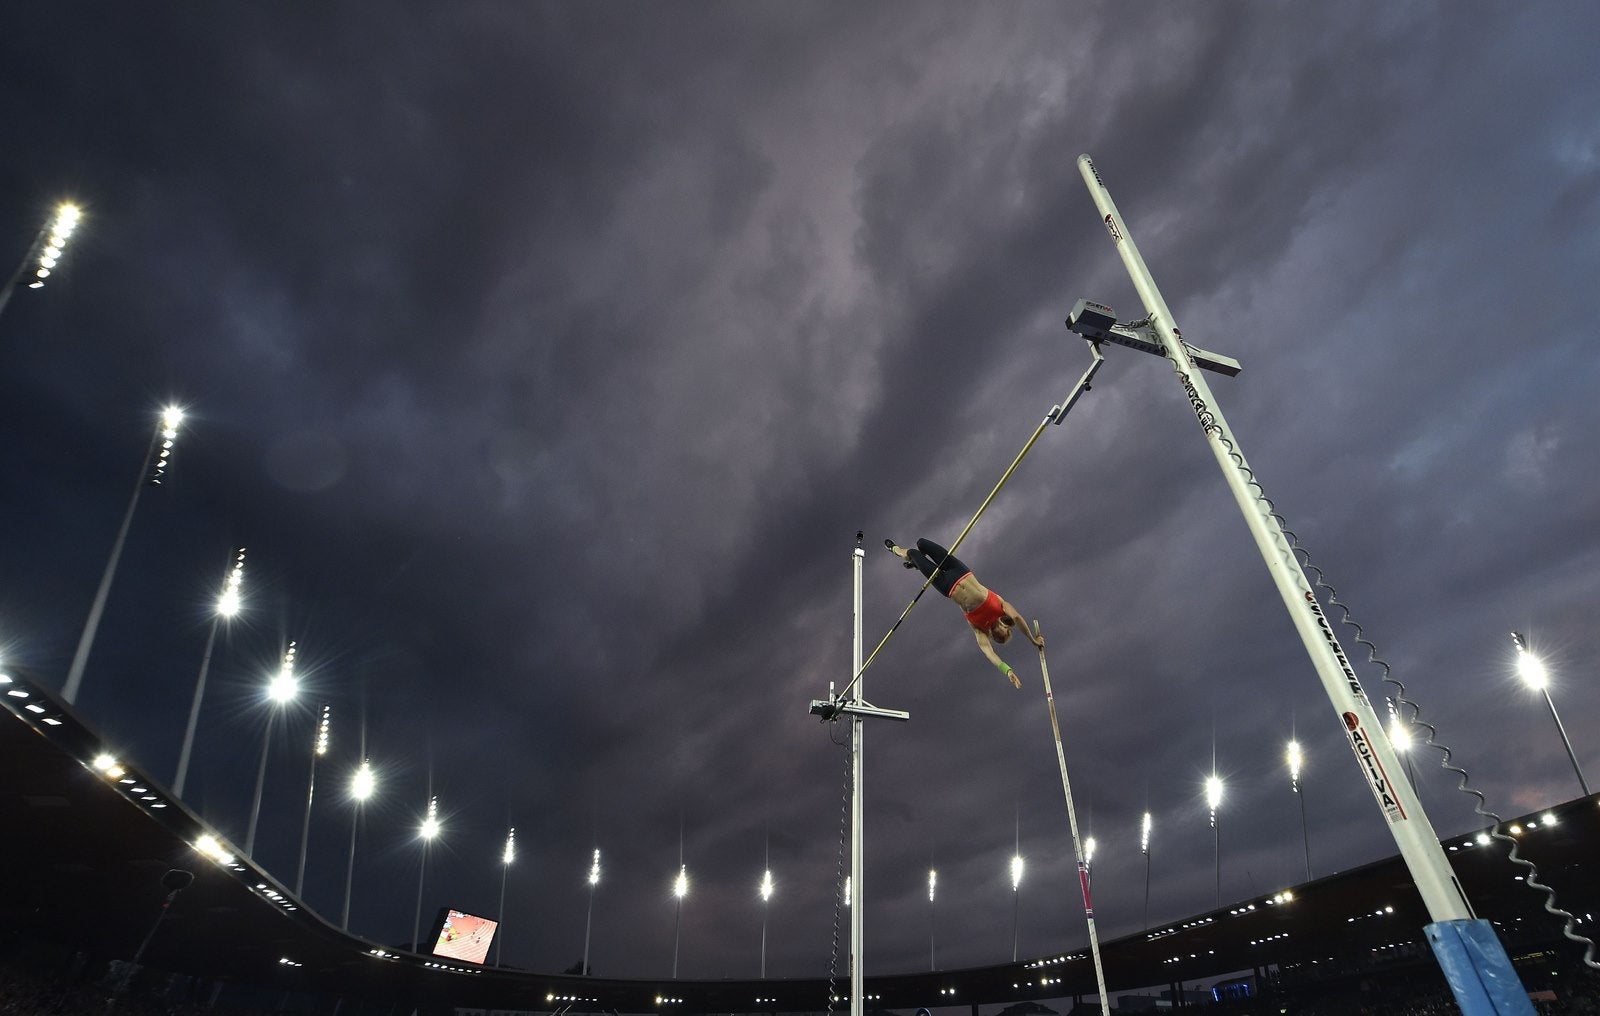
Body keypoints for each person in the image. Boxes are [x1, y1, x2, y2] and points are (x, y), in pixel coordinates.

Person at [884, 538, 1043, 688]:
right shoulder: (1001, 607)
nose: (999, 636)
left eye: (998, 639)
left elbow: (989, 653)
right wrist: (1033, 641)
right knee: (921, 543)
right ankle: (917, 563)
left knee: (913, 553)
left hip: (946, 585)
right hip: (959, 570)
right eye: (1004, 635)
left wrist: (1007, 671)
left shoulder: (980, 629)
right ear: (1006, 628)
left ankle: (895, 549)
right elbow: (1016, 617)